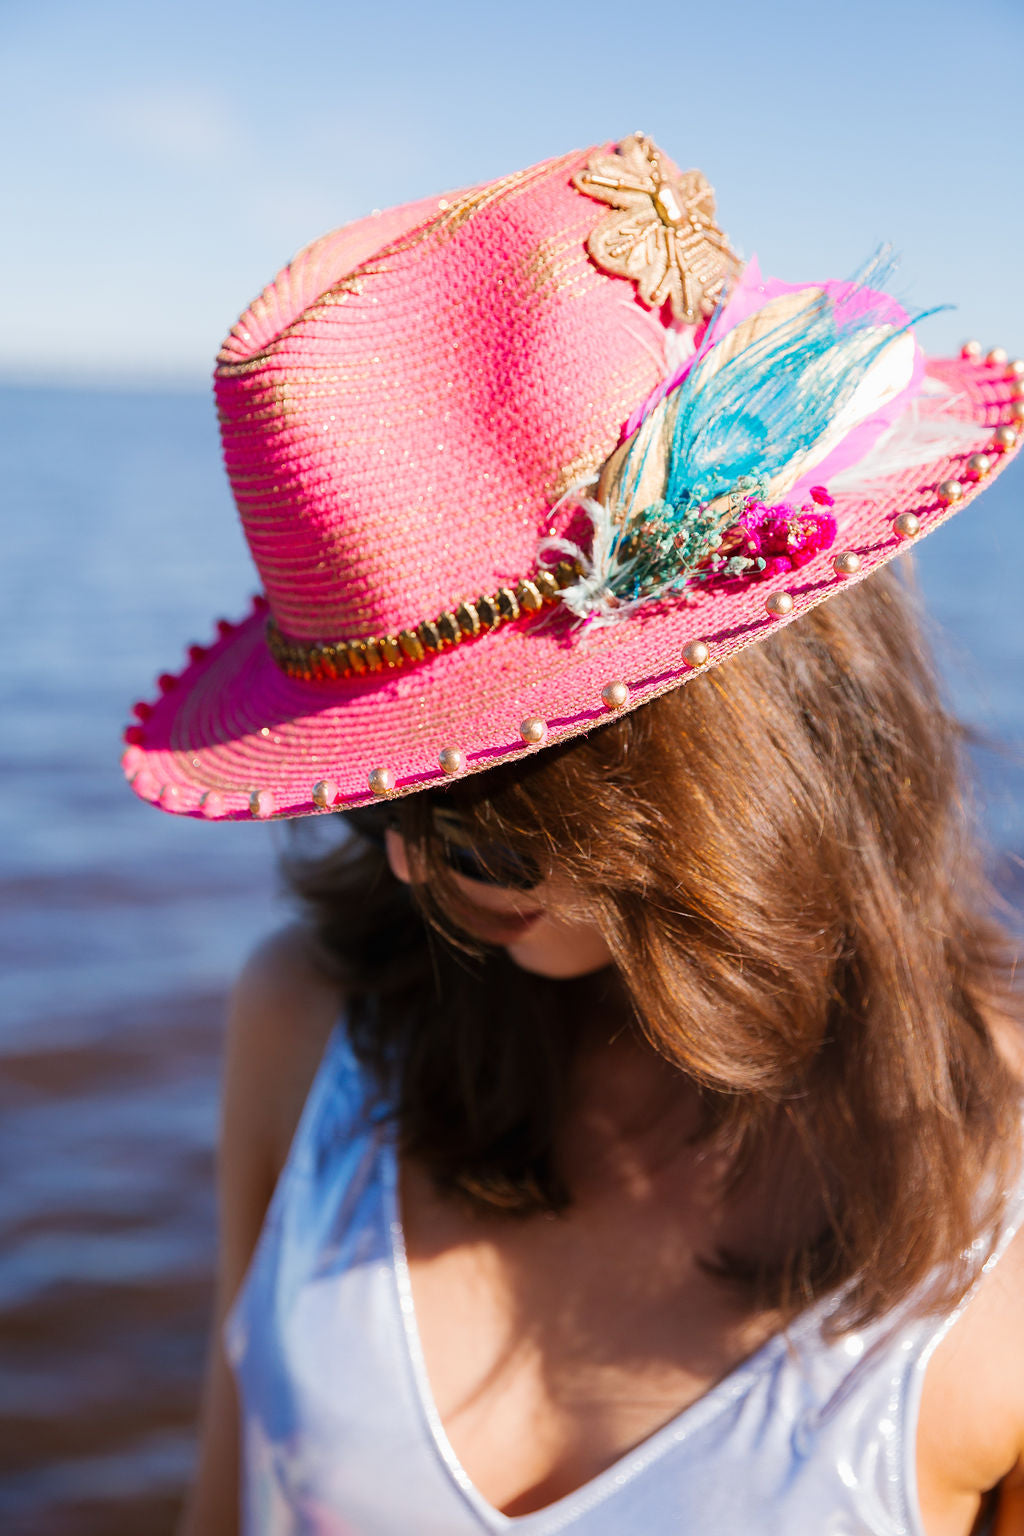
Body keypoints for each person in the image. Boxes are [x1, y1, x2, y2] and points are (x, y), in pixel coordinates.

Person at [121, 136, 1024, 1534]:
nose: (411, 867)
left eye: (476, 818)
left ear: (727, 751)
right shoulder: (307, 1025)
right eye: (378, 803)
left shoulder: (1002, 1173)